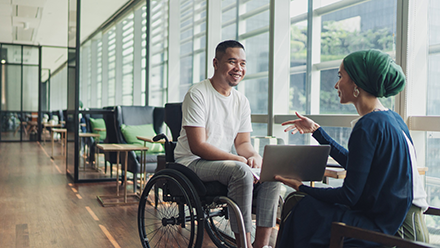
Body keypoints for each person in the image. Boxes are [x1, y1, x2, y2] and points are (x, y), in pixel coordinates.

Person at [275, 49, 429, 247]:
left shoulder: (367, 125)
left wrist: (301, 186)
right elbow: (357, 165)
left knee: (299, 203)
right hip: (404, 222)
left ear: (356, 83)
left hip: (394, 230)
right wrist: (316, 131)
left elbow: (349, 195)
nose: (336, 84)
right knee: (308, 206)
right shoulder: (390, 119)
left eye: (340, 77)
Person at [174, 40, 280, 248]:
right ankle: (244, 246)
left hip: (221, 163)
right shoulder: (197, 94)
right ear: (216, 63)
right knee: (240, 170)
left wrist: (255, 158)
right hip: (191, 162)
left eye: (242, 63)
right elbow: (198, 146)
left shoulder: (241, 101)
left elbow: (243, 143)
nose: (238, 69)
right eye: (232, 62)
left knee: (272, 174)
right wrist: (238, 159)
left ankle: (261, 245)